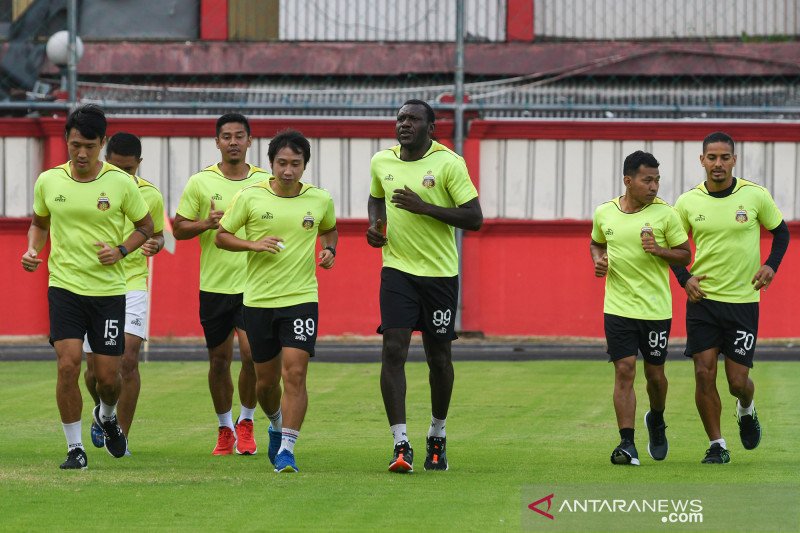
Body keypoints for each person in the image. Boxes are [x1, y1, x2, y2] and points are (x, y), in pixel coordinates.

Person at [21, 104, 154, 469]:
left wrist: (122, 249)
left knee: (108, 379)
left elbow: (146, 226)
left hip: (109, 292)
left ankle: (107, 416)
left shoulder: (120, 183)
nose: (81, 153)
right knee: (68, 365)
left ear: (102, 144)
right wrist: (33, 248)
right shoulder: (49, 181)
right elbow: (39, 222)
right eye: (76, 144)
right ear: (66, 139)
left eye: (90, 146)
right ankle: (75, 449)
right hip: (64, 287)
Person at [366, 99, 483, 473]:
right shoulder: (381, 161)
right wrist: (377, 225)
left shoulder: (449, 163)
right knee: (393, 349)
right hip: (397, 270)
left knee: (439, 358)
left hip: (439, 276)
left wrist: (425, 208)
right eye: (400, 117)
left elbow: (475, 218)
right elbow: (376, 197)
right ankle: (401, 443)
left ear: (430, 128)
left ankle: (437, 434)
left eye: (413, 119)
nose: (404, 123)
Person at [216, 129, 337, 473]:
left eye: (295, 164)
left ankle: (287, 448)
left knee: (295, 373)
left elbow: (329, 229)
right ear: (271, 164)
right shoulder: (250, 198)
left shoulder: (320, 199)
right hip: (258, 300)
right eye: (282, 163)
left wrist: (329, 250)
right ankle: (274, 422)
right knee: (266, 382)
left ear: (304, 166)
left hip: (301, 299)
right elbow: (222, 237)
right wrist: (253, 245)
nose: (288, 170)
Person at [671, 132, 790, 464]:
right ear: (702, 160)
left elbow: (781, 232)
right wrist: (685, 279)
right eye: (712, 158)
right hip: (703, 301)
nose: (718, 164)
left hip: (742, 303)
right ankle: (717, 444)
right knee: (703, 372)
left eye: (725, 157)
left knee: (738, 382)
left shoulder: (754, 196)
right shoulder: (687, 202)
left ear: (734, 160)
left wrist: (770, 265)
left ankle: (746, 408)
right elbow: (676, 249)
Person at [174, 113, 269, 456]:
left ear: (249, 141)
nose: (233, 142)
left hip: (254, 284)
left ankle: (247, 421)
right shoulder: (201, 182)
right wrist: (205, 223)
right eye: (226, 136)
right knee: (218, 360)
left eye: (239, 136)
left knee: (251, 355)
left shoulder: (265, 181)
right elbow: (179, 229)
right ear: (217, 142)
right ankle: (224, 427)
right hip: (214, 286)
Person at [590, 151, 691, 466]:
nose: (654, 186)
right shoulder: (604, 212)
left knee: (655, 375)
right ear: (628, 180)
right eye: (648, 180)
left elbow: (685, 254)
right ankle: (627, 443)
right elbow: (596, 242)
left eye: (657, 180)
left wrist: (659, 250)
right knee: (624, 370)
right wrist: (598, 259)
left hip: (655, 309)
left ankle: (657, 419)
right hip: (618, 307)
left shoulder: (666, 215)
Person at [83, 132, 165, 455]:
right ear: (105, 157)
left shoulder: (151, 197)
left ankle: (122, 438)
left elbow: (158, 236)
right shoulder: (89, 186)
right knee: (94, 373)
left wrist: (153, 244)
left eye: (129, 170)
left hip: (131, 284)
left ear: (139, 165)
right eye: (117, 168)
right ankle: (105, 414)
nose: (123, 176)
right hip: (95, 284)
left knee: (127, 362)